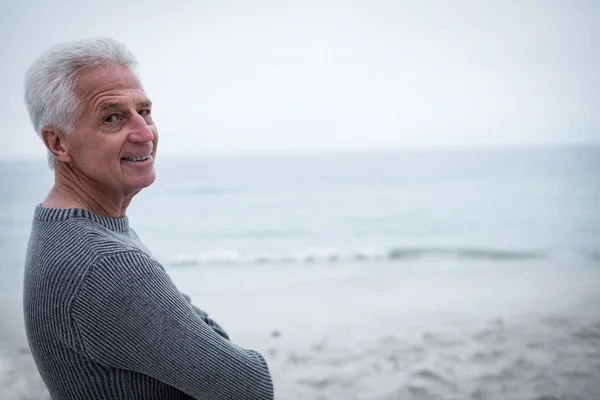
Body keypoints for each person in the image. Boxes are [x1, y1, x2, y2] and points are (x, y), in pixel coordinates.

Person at [22, 38, 274, 400]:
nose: (144, 134)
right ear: (58, 144)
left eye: (145, 111)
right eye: (112, 118)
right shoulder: (104, 262)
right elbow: (251, 386)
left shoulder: (70, 226)